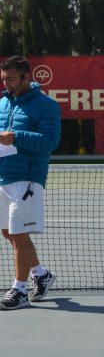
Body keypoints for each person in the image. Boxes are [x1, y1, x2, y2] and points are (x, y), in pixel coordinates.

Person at [0, 55, 61, 310]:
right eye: (3, 79)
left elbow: (49, 142)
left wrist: (16, 137)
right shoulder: (2, 102)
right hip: (3, 176)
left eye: (11, 79)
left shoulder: (46, 105)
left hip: (28, 179)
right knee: (8, 232)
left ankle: (20, 289)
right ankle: (40, 274)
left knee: (18, 233)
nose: (6, 84)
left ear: (27, 77)